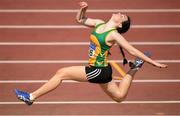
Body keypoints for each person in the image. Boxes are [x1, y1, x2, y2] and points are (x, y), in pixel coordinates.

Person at [14, 1, 167, 105]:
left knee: (61, 73)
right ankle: (135, 67)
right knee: (119, 97)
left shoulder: (114, 35)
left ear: (120, 24)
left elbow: (132, 50)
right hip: (103, 70)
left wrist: (153, 62)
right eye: (121, 12)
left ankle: (31, 97)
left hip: (98, 70)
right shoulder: (100, 23)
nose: (119, 13)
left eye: (122, 16)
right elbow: (80, 20)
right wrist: (83, 8)